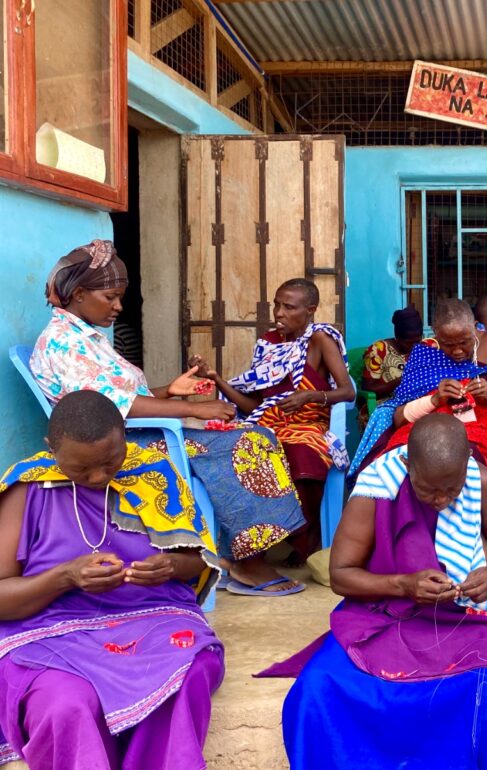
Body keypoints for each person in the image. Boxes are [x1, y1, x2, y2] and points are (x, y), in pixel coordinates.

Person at [272, 414, 487, 769]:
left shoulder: (481, 482)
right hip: (385, 615)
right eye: (429, 489)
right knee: (317, 688)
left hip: (466, 618)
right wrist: (404, 585)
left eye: (452, 489)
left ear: (466, 466)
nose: (442, 499)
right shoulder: (377, 488)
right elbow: (341, 576)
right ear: (407, 465)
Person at [30, 240, 306, 596]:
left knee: (248, 432)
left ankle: (246, 549)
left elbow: (121, 397)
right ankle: (247, 562)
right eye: (111, 297)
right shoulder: (64, 342)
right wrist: (193, 408)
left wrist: (169, 392)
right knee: (246, 443)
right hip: (116, 444)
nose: (118, 306)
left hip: (137, 429)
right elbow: (116, 408)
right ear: (80, 293)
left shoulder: (85, 337)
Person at [0, 391, 224, 770]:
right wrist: (64, 577)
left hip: (155, 618)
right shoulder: (28, 487)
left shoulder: (155, 474)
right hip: (51, 632)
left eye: (110, 461)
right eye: (81, 469)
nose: (99, 477)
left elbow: (195, 562)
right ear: (51, 449)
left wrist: (169, 567)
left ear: (124, 436)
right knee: (65, 703)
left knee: (187, 674)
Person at [189, 279, 355, 561]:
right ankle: (254, 546)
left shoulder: (319, 340)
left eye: (288, 307)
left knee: (302, 454)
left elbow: (347, 391)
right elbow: (253, 404)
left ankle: (306, 538)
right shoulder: (268, 344)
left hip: (307, 424)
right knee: (244, 452)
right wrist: (216, 379)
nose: (278, 313)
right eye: (276, 305)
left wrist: (309, 397)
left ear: (310, 310)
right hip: (267, 421)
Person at [350, 298, 487, 477]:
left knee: (454, 464)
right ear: (435, 334)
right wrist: (434, 399)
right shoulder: (423, 355)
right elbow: (399, 415)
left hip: (477, 430)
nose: (458, 351)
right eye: (447, 344)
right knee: (396, 467)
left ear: (474, 327)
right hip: (425, 429)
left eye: (464, 342)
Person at [361, 307, 424, 401]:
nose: (414, 346)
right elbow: (368, 389)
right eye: (408, 343)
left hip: (420, 404)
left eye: (417, 341)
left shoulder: (424, 348)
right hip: (386, 405)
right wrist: (401, 381)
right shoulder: (379, 350)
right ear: (397, 338)